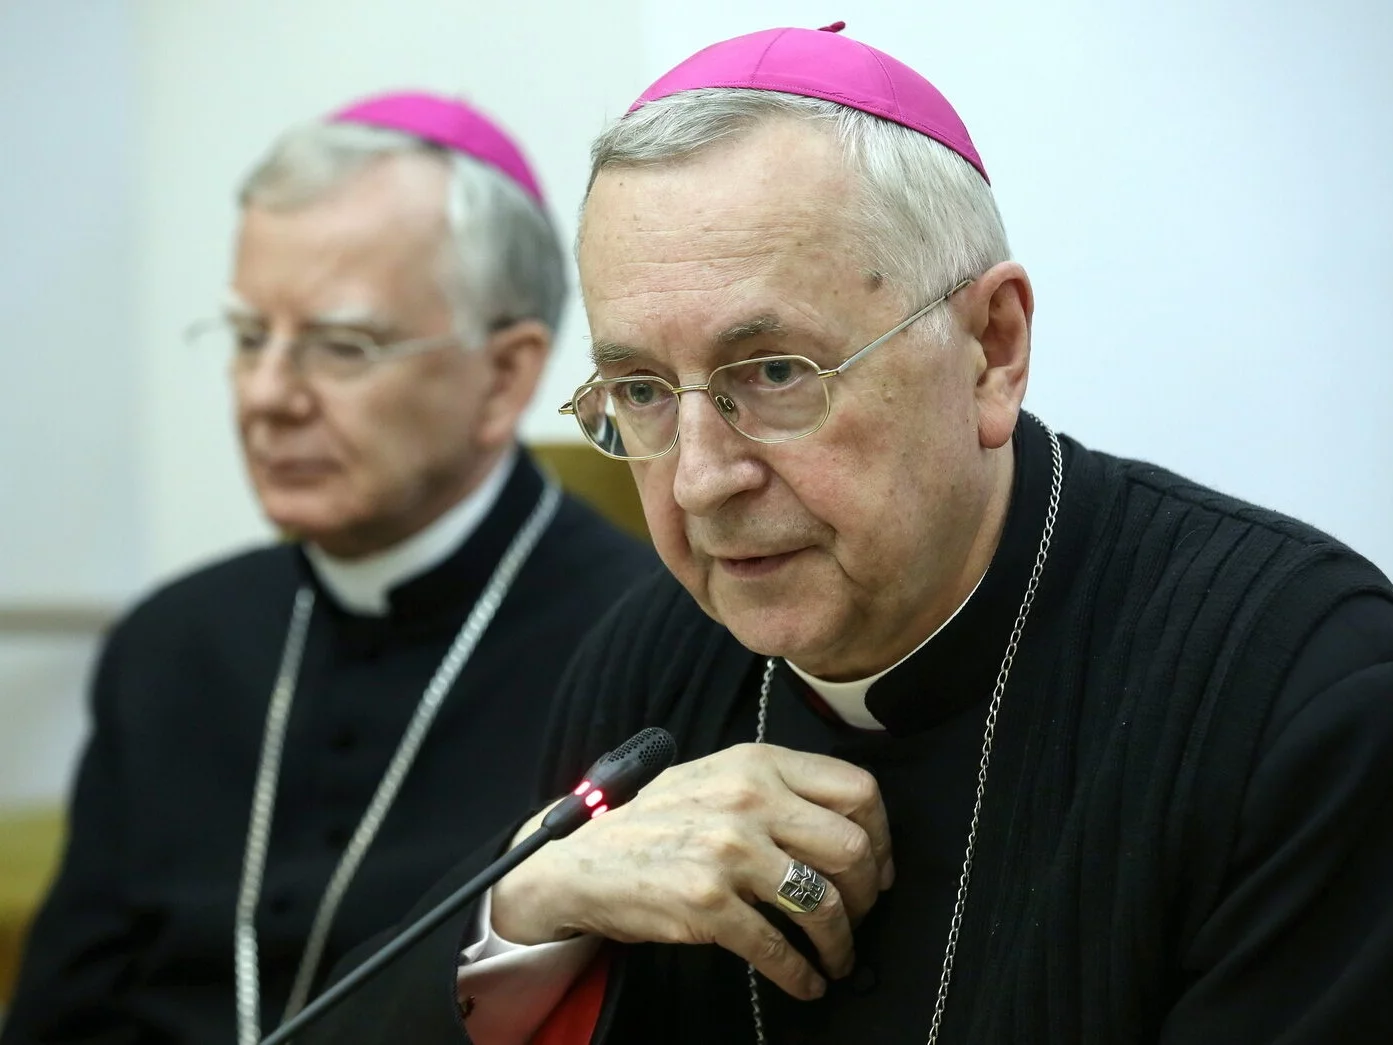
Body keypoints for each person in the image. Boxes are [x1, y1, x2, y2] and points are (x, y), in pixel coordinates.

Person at [298, 25, 1393, 1045]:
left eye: (773, 373)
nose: (699, 479)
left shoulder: (1299, 693)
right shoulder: (645, 665)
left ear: (991, 350)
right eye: (638, 387)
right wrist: (527, 907)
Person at [1, 92, 656, 1045]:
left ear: (504, 375)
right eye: (248, 337)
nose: (267, 396)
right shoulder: (170, 642)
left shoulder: (647, 647)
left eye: (339, 346)